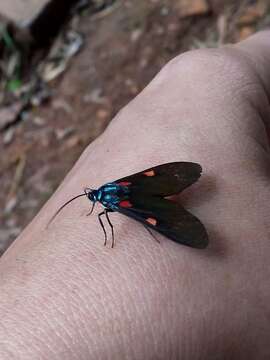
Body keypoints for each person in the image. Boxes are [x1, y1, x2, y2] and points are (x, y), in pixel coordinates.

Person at [0, 31, 269, 360]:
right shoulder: (113, 190)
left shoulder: (108, 203)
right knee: (150, 203)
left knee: (149, 215)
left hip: (142, 201)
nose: (95, 202)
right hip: (139, 192)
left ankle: (155, 216)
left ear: (98, 198)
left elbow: (108, 216)